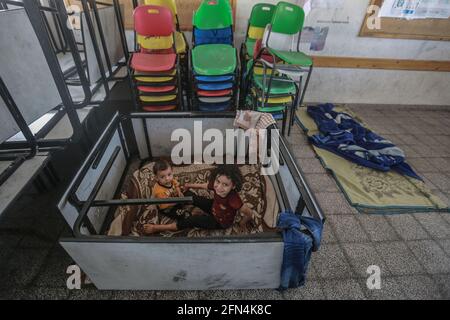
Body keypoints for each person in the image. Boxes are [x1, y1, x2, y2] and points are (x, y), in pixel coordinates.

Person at [144, 164, 254, 234]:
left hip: (219, 221)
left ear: (233, 186)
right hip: (214, 206)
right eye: (218, 181)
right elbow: (206, 185)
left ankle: (156, 228)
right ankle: (185, 199)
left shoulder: (234, 199)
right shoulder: (216, 185)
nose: (219, 187)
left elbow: (249, 212)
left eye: (225, 185)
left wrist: (242, 223)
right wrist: (189, 185)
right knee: (192, 196)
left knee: (193, 220)